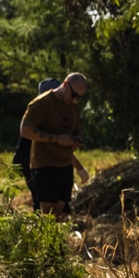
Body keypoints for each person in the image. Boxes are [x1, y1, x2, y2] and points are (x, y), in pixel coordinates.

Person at [19, 73, 90, 221]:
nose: (75, 99)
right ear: (65, 84)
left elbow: (76, 132)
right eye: (73, 95)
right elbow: (25, 130)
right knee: (49, 215)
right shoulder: (43, 102)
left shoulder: (73, 107)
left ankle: (58, 237)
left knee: (61, 214)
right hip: (45, 165)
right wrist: (56, 139)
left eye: (79, 97)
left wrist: (76, 140)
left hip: (65, 166)